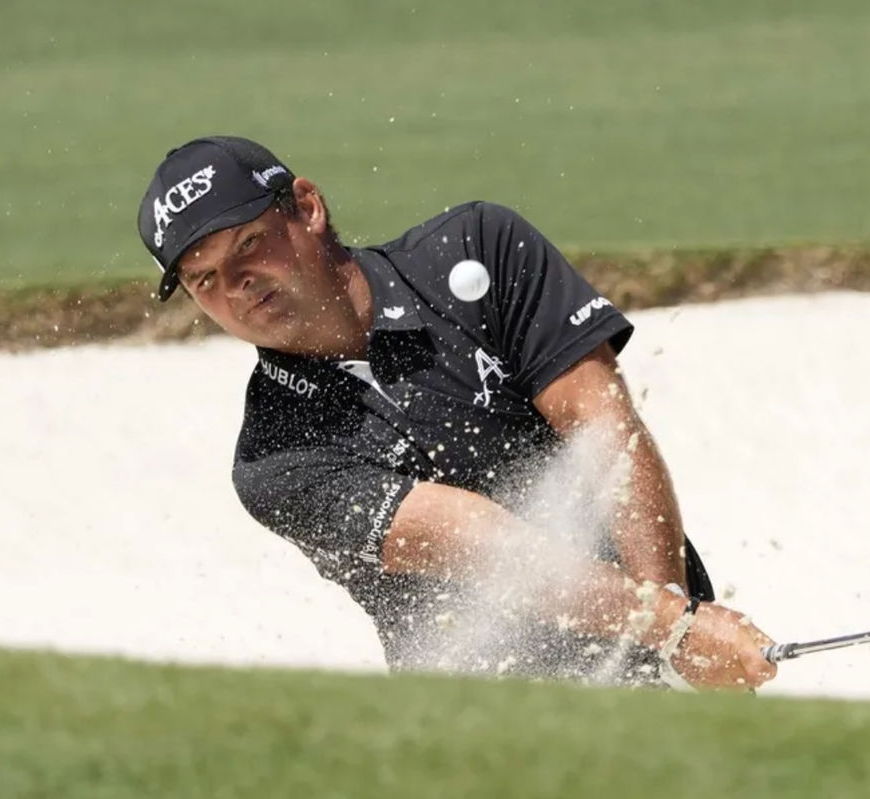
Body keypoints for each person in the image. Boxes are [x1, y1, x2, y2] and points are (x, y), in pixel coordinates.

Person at [137, 135, 777, 690]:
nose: (237, 284)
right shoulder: (274, 457)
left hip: (667, 649)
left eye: (249, 243)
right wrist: (672, 627)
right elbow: (483, 545)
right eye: (204, 280)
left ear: (306, 207)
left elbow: (604, 430)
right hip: (491, 724)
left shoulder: (478, 250)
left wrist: (673, 623)